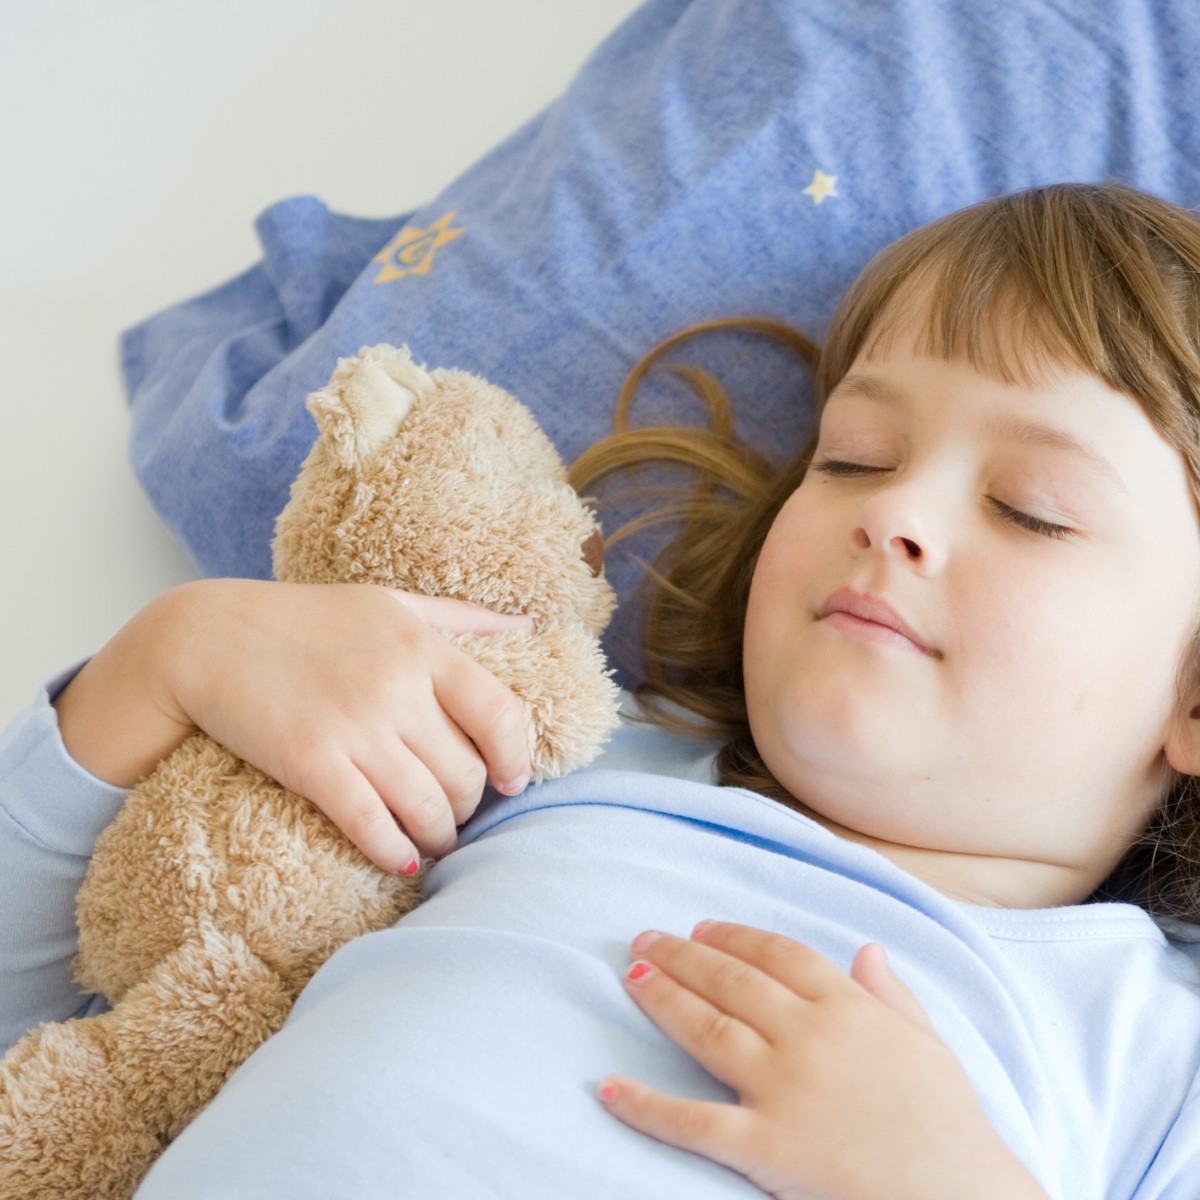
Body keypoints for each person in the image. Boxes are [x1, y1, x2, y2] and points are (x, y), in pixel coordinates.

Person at [4, 182, 1200, 1198]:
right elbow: (61, 1008)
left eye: (1030, 508)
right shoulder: (540, 744)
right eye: (854, 458)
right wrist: (172, 660)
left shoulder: (1153, 1046)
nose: (894, 512)